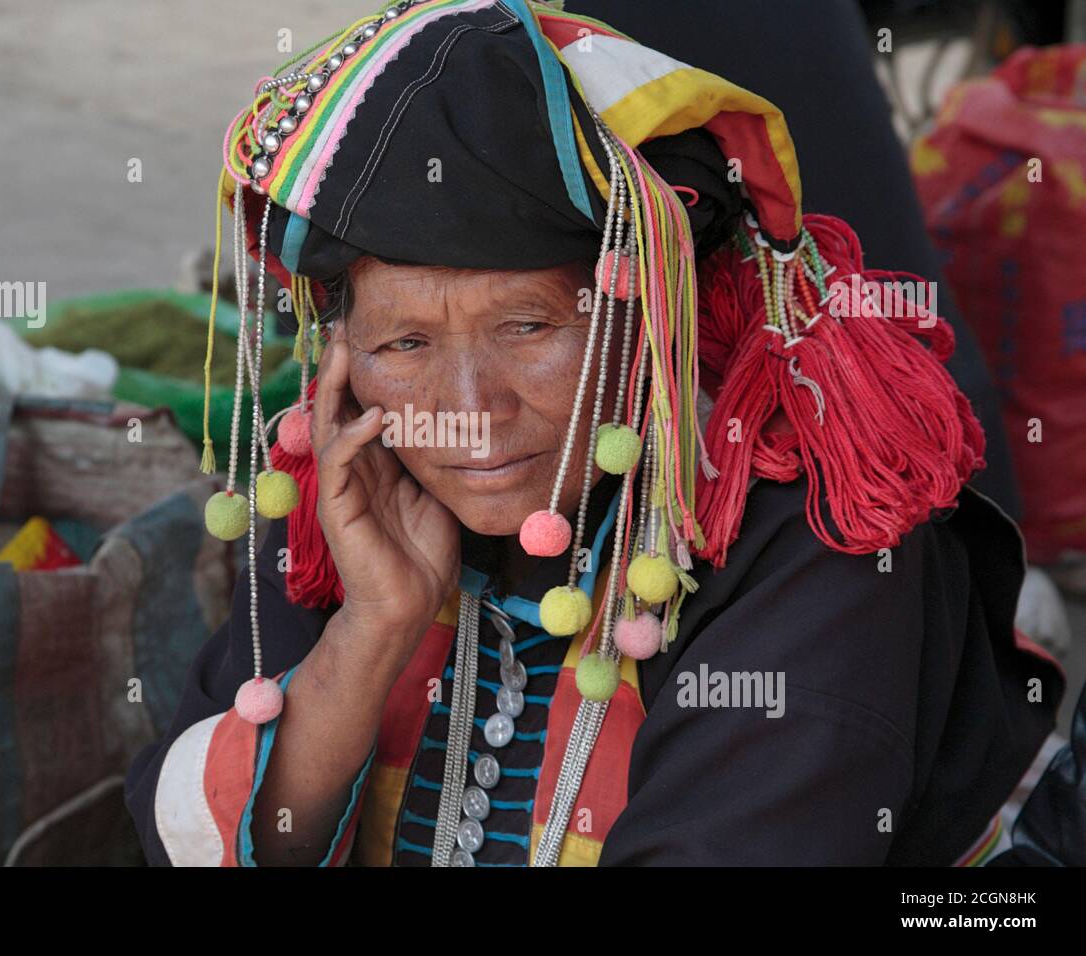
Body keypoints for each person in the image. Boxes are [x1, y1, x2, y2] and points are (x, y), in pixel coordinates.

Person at [125, 0, 1063, 866]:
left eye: (528, 327)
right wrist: (370, 631)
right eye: (403, 342)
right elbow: (193, 842)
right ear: (336, 362)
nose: (469, 406)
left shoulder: (810, 541)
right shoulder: (360, 499)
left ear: (655, 315)